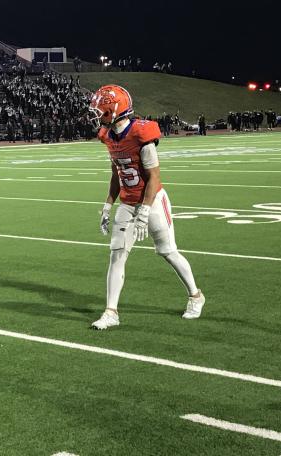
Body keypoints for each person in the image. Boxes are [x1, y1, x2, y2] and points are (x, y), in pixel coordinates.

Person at [87, 85, 205, 330]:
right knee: (116, 255)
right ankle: (111, 312)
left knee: (167, 251)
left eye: (101, 109)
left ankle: (195, 295)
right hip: (127, 202)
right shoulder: (108, 135)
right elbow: (116, 174)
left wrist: (144, 211)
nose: (97, 114)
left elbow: (154, 178)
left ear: (114, 109)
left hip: (152, 201)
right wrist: (108, 204)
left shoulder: (142, 133)